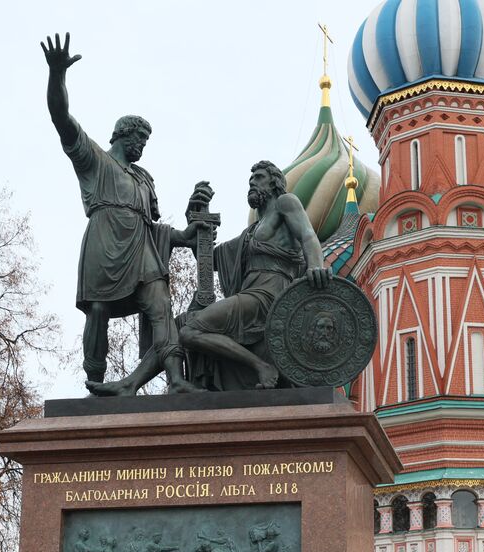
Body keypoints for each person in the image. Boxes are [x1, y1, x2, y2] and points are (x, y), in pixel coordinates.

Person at [40, 31, 210, 396]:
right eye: (139, 141)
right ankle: (95, 386)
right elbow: (61, 117)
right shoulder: (95, 160)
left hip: (142, 250)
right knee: (98, 311)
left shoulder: (145, 178)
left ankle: (176, 380)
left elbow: (156, 229)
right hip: (105, 242)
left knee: (160, 305)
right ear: (121, 135)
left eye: (146, 143)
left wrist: (188, 233)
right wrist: (58, 74)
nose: (142, 148)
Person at [179, 160, 331, 391]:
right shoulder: (250, 232)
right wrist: (195, 220)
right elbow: (210, 259)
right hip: (251, 296)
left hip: (270, 296)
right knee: (181, 325)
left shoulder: (285, 203)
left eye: (259, 177)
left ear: (275, 183)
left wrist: (316, 266)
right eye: (250, 180)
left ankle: (261, 366)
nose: (252, 183)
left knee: (190, 331)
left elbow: (308, 236)